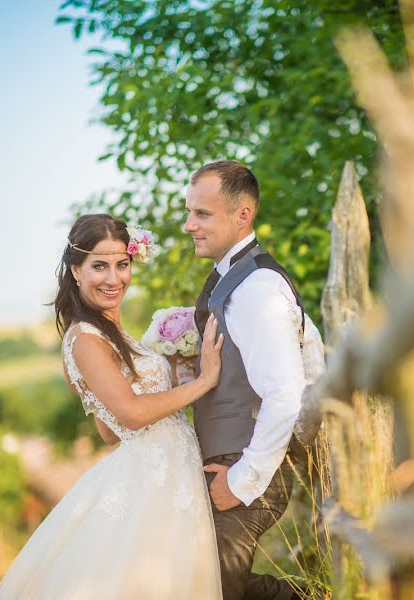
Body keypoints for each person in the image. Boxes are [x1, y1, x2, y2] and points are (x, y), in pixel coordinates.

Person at [0, 214, 224, 599]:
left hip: (167, 480)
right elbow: (131, 414)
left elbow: (106, 431)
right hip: (149, 485)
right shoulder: (85, 338)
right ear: (76, 271)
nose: (114, 279)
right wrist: (204, 382)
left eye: (122, 264)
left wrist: (172, 372)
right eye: (99, 266)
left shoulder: (110, 332)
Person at [184, 160, 306, 600]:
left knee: (219, 584)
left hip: (250, 465)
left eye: (202, 214)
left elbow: (286, 394)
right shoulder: (236, 279)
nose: (188, 225)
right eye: (189, 212)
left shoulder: (257, 288)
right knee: (209, 582)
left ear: (242, 216)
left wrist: (241, 480)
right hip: (230, 458)